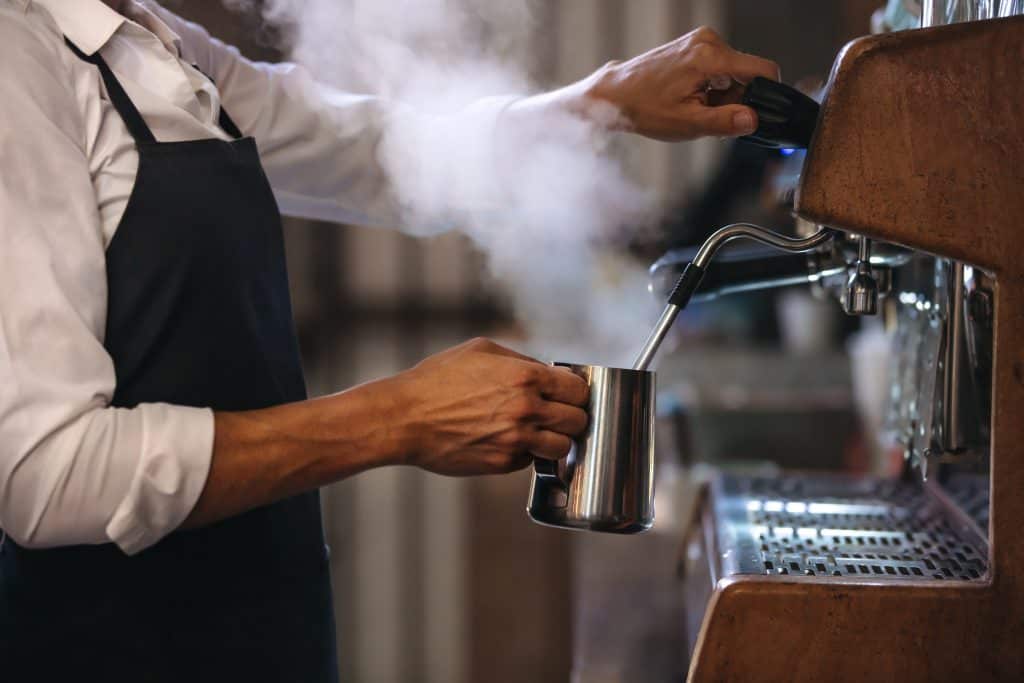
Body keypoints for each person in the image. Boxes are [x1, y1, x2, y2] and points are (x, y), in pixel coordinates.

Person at [0, 1, 779, 680]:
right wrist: (397, 417)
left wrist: (604, 99)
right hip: (110, 649)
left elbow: (378, 153)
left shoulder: (154, 42)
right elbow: (48, 472)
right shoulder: (17, 61)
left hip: (257, 629)